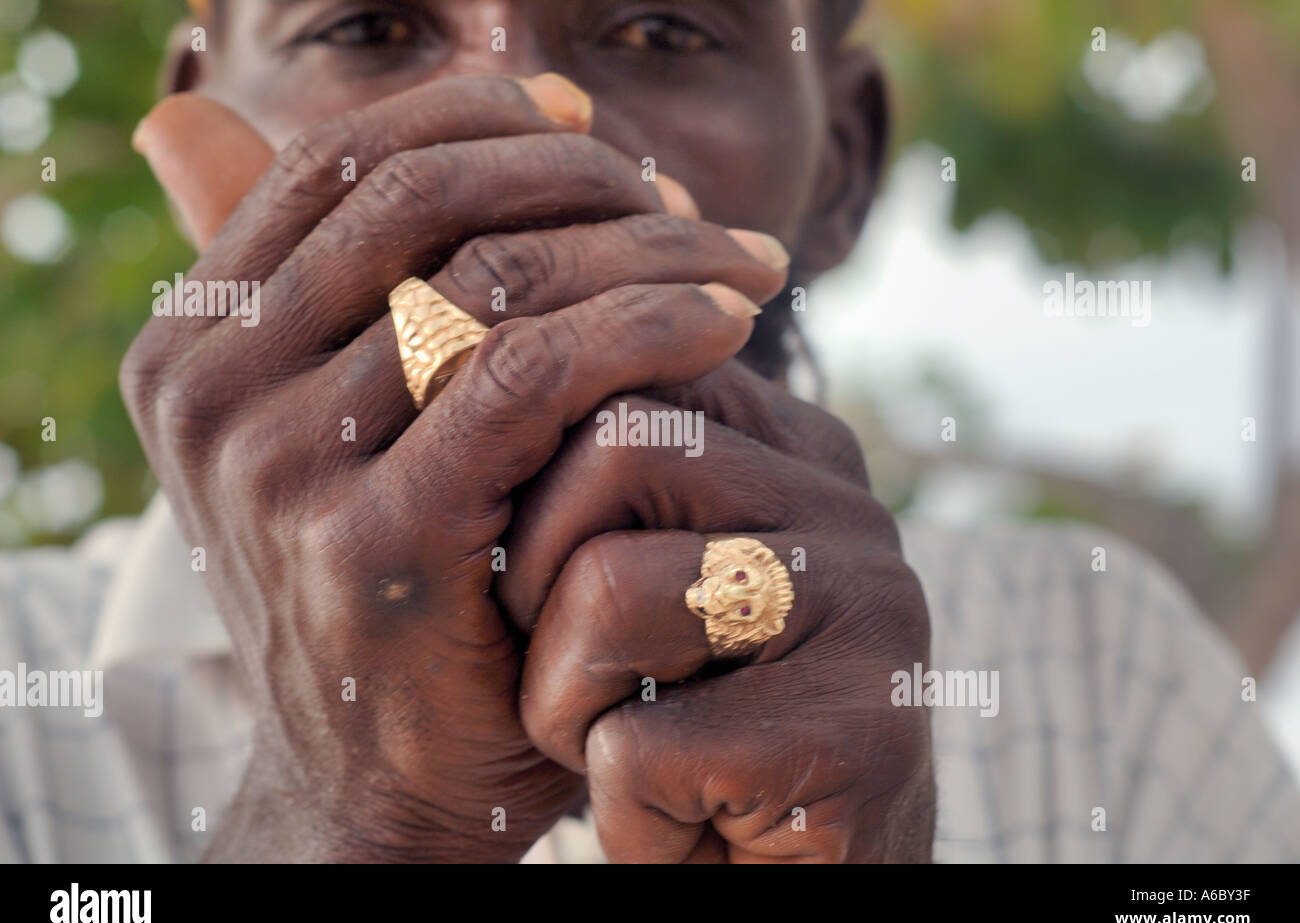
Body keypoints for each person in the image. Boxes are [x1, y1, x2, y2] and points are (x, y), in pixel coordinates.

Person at [1, 0, 1296, 864]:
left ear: (840, 167)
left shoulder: (1104, 664)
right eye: (371, 26)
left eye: (662, 29)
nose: (509, 115)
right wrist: (353, 821)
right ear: (203, 137)